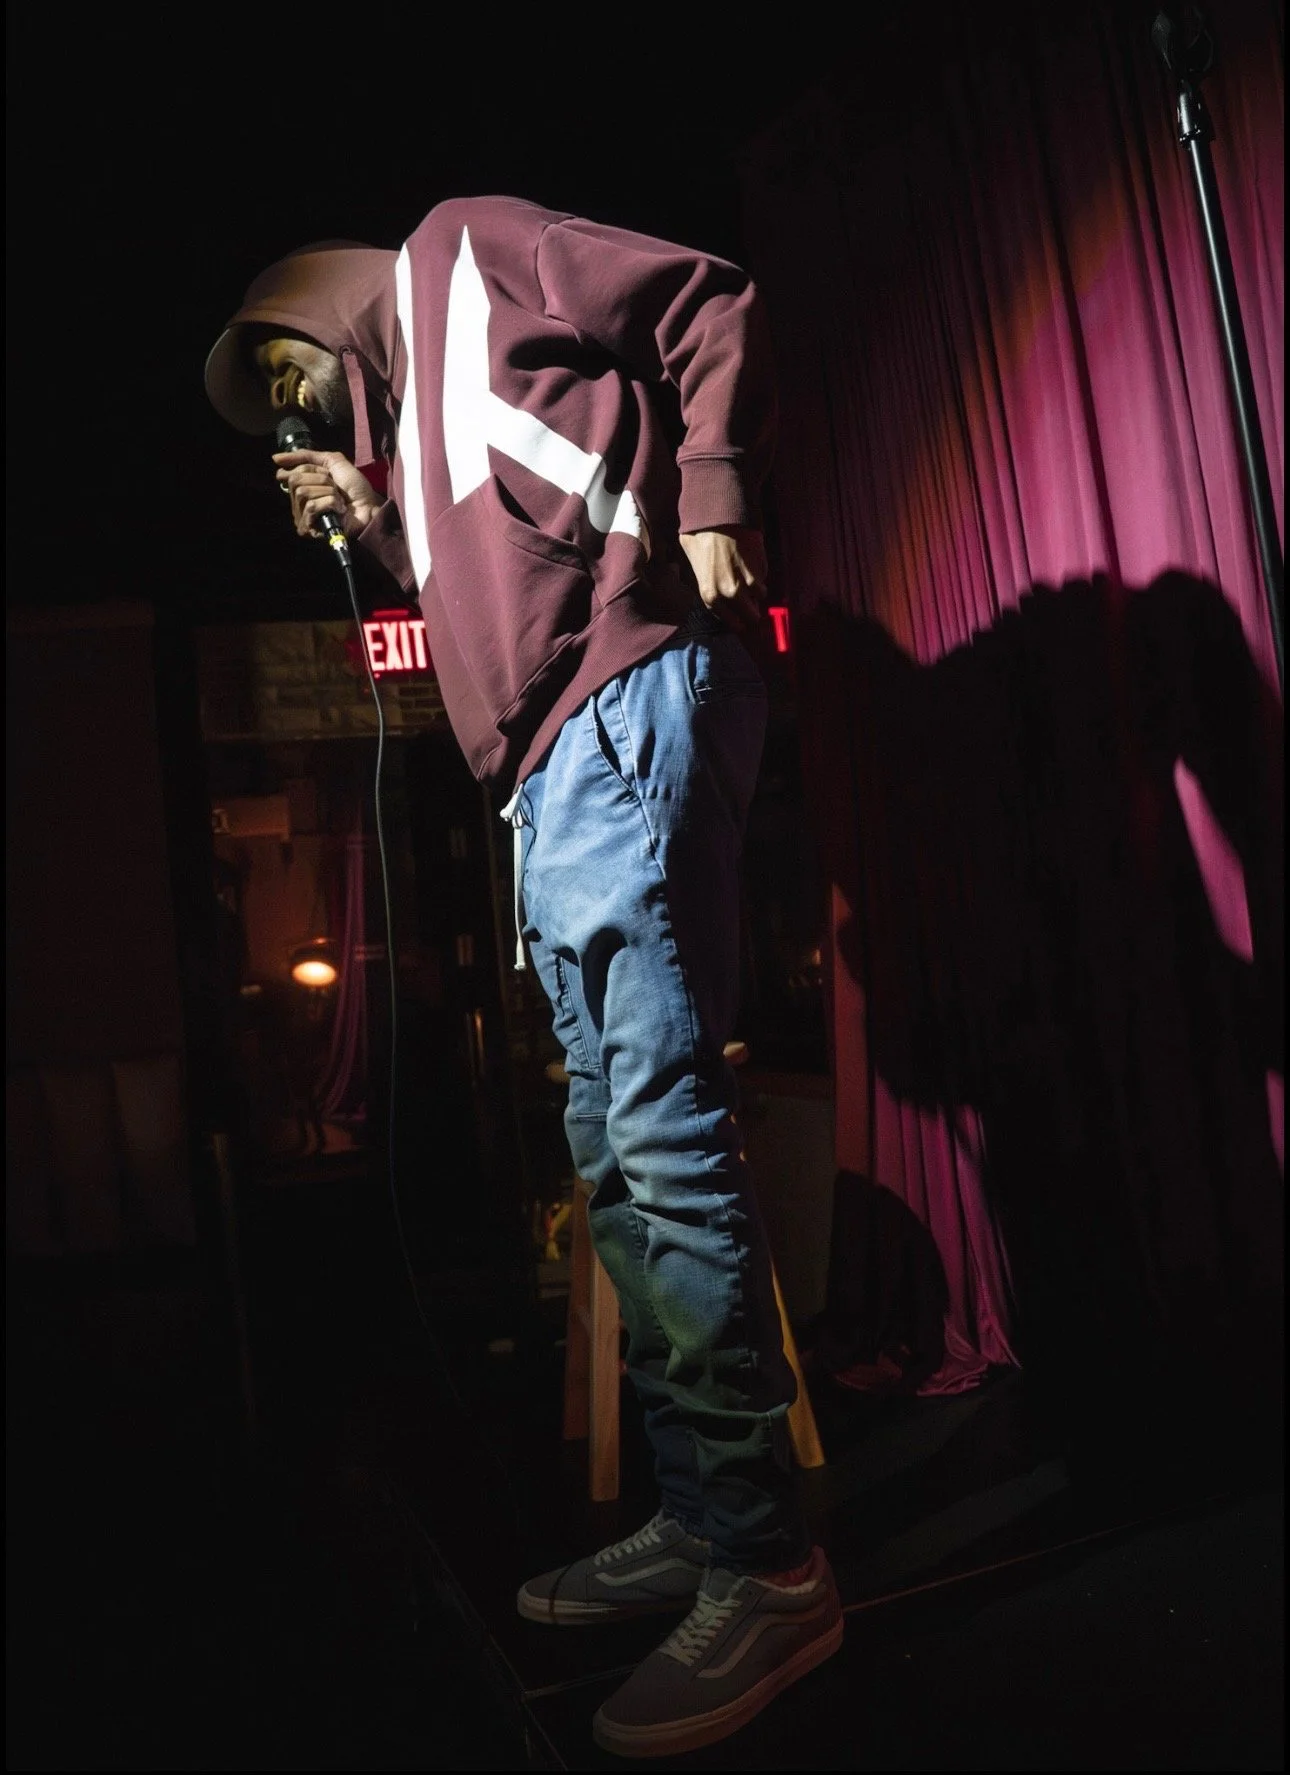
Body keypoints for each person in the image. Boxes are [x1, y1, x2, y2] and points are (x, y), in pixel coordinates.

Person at [205, 193, 842, 1758]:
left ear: (322, 305)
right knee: (610, 1157)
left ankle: (770, 1566)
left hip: (624, 697)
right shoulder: (416, 453)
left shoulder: (462, 250)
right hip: (550, 774)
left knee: (661, 1129)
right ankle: (706, 1511)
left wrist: (714, 485)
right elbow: (487, 589)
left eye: (282, 367)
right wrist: (367, 518)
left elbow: (704, 299)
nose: (285, 405)